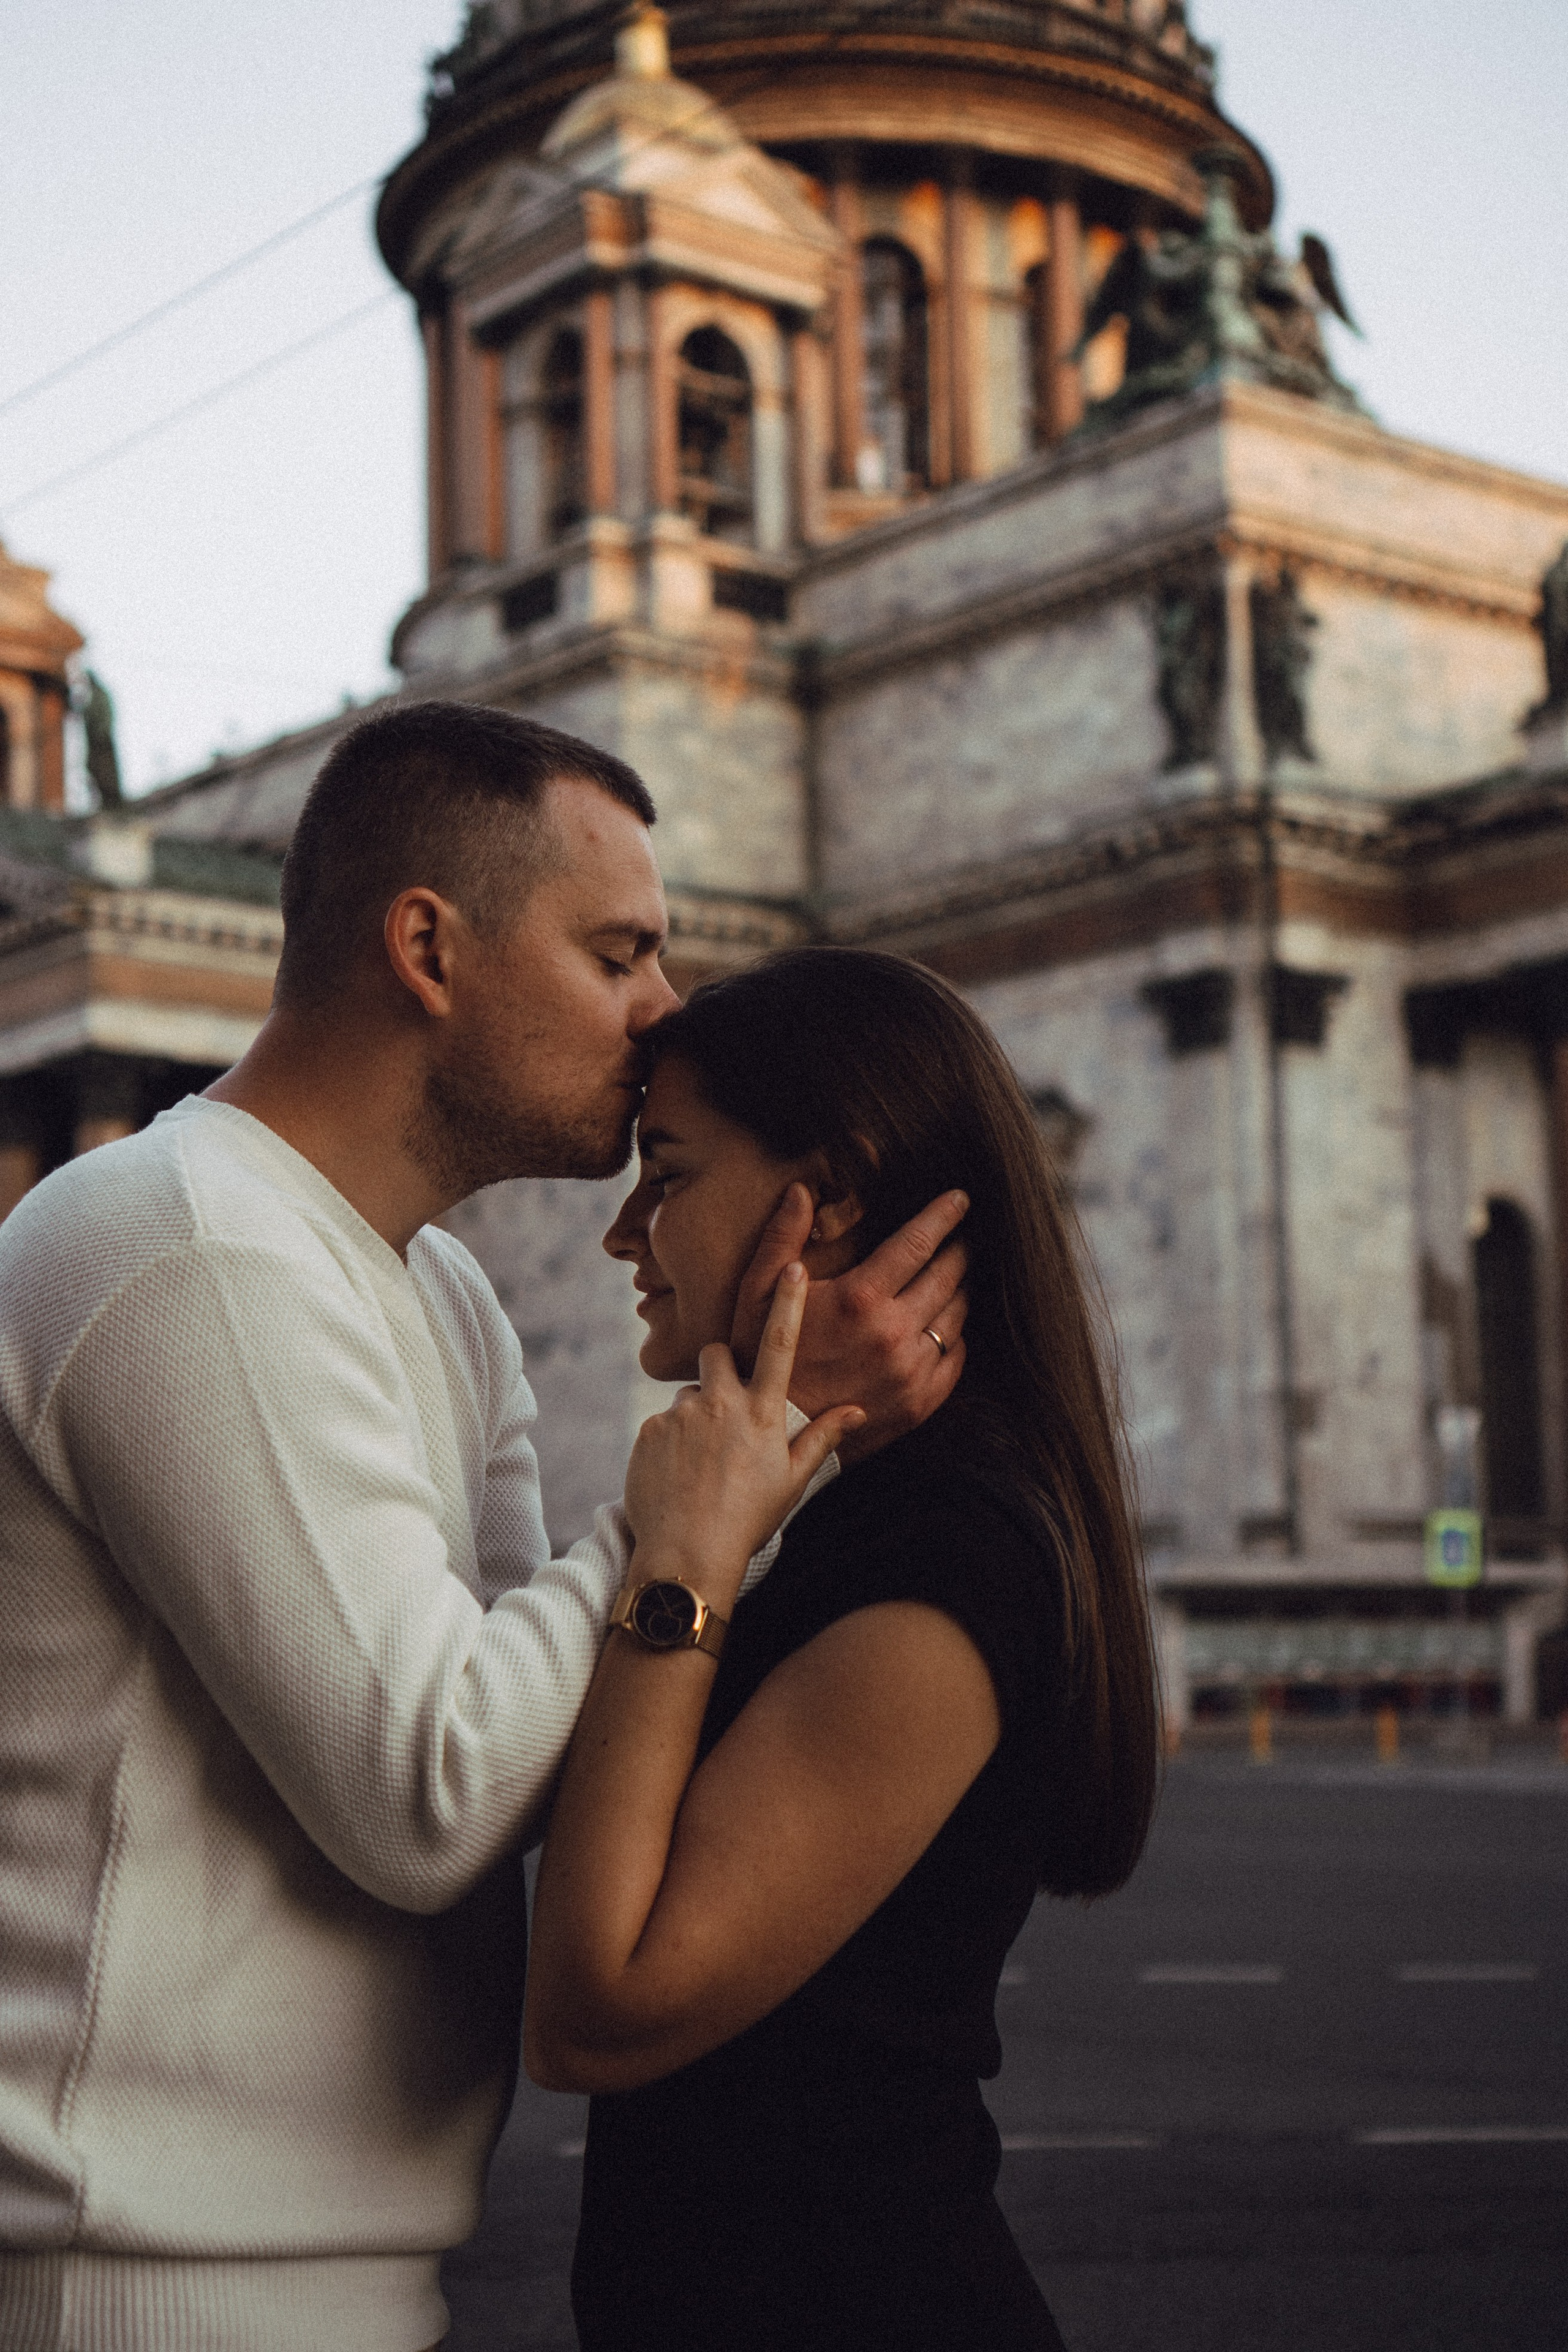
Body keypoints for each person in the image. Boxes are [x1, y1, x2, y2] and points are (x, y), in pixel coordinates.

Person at [0, 706, 968, 2352]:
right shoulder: (185, 1245)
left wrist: (733, 1479)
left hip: (337, 2271)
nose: (665, 1011)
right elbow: (435, 1793)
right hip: (137, 2281)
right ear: (428, 947)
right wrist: (720, 1478)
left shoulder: (444, 1297)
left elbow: (559, 1737)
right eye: (619, 954)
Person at [524, 945, 1161, 2352]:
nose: (625, 1233)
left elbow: (596, 2011)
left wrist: (685, 1553)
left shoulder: (946, 1555)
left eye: (669, 1171)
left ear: (834, 1200)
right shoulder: (866, 1515)